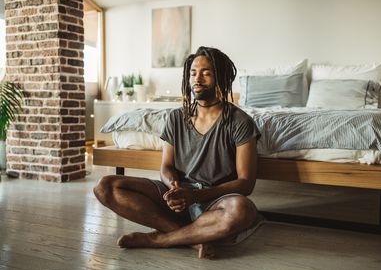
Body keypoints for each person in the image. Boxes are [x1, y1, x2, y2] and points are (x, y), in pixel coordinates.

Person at [93, 46, 261, 259]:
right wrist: (174, 187)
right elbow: (166, 166)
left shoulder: (240, 122)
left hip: (214, 200)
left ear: (222, 77)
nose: (197, 79)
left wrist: (196, 196)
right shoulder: (175, 118)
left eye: (206, 73)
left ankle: (159, 238)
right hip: (178, 196)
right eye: (193, 73)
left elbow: (246, 183)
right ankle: (191, 238)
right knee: (105, 186)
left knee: (242, 210)